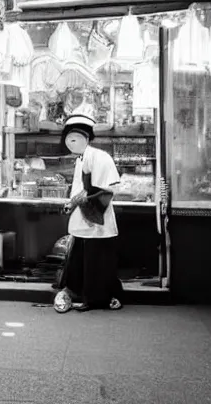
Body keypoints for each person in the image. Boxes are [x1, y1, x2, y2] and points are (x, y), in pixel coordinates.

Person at [54, 113, 124, 313]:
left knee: (98, 259)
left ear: (87, 138)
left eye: (75, 138)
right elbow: (80, 189)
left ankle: (104, 296)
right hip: (84, 218)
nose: (71, 143)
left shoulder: (99, 157)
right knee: (81, 258)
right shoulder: (81, 158)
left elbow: (102, 190)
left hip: (96, 218)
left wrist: (76, 201)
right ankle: (78, 293)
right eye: (68, 139)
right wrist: (73, 203)